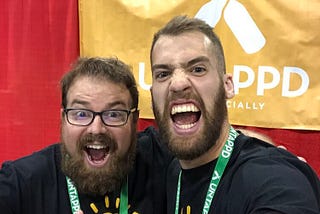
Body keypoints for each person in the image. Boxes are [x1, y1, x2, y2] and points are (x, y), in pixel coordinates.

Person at [149, 15, 320, 214]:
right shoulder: (167, 165)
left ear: (227, 86)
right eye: (163, 74)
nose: (178, 84)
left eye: (197, 69)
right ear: (153, 94)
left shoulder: (276, 178)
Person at [0, 57, 172, 214]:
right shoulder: (21, 183)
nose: (96, 129)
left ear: (134, 120)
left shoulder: (162, 158)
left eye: (113, 114)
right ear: (63, 119)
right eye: (81, 114)